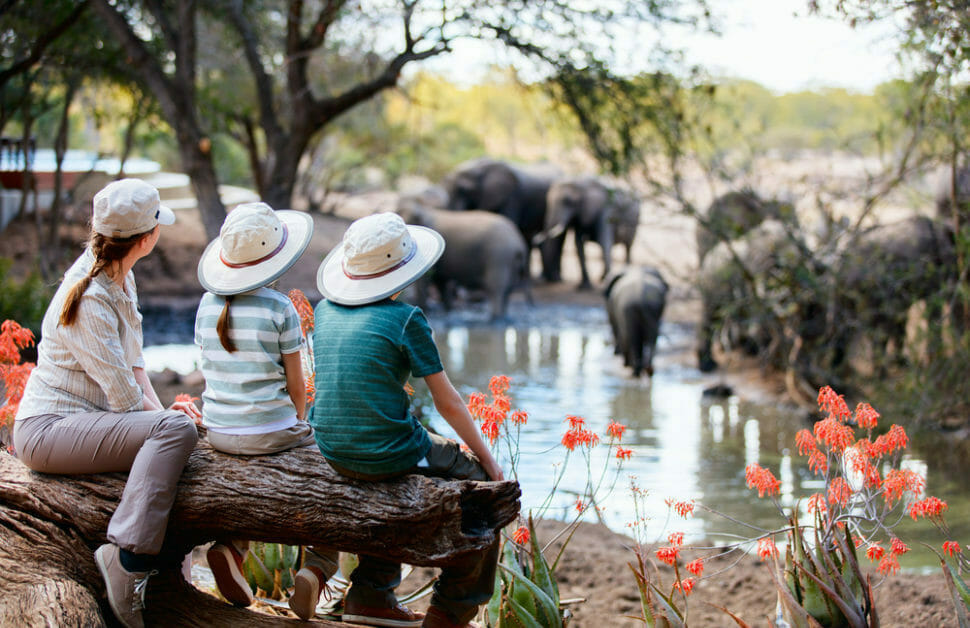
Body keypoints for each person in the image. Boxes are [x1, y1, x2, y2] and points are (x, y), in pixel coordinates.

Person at [12, 178, 202, 628]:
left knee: (176, 431)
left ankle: (173, 578)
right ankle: (128, 560)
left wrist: (161, 415)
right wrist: (166, 426)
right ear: (147, 237)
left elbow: (135, 367)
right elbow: (122, 398)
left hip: (84, 423)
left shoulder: (120, 276)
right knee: (177, 432)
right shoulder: (91, 296)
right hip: (47, 431)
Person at [310, 212, 504, 628]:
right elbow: (448, 402)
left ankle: (370, 594)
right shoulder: (406, 319)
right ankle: (451, 610)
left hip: (329, 448)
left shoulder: (324, 310)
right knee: (483, 494)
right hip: (389, 451)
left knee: (389, 481)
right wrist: (488, 461)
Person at [194, 201, 337, 620]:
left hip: (218, 429)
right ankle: (318, 566)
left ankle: (232, 547)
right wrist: (299, 424)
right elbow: (296, 385)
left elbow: (209, 370)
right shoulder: (279, 309)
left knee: (245, 473)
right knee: (330, 475)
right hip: (272, 430)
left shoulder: (205, 305)